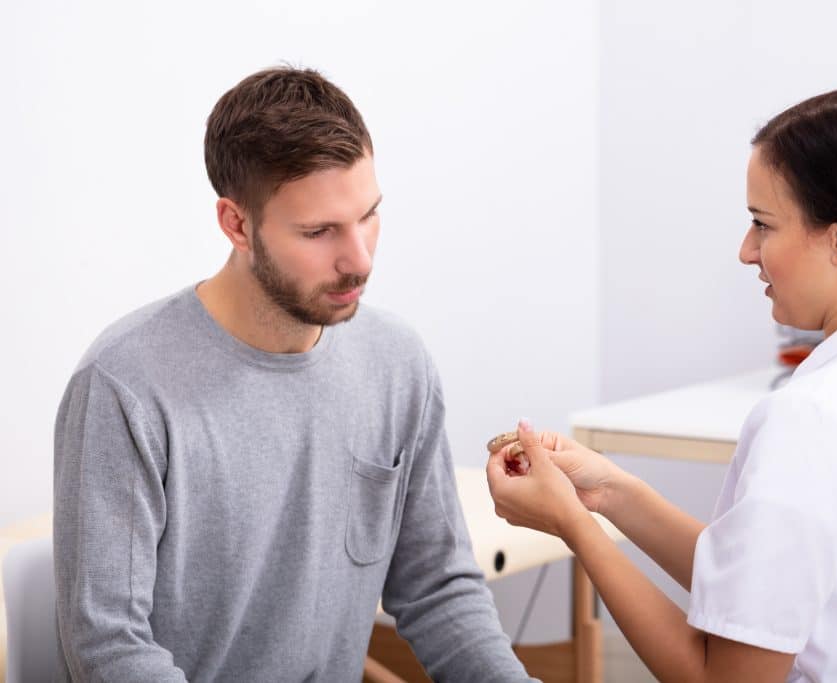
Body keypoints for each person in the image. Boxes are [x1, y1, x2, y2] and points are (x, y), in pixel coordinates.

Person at [487, 84, 837, 682]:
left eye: (763, 225)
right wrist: (608, 493)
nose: (745, 251)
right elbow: (762, 588)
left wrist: (574, 528)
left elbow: (720, 677)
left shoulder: (818, 417)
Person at [53, 66, 533, 682]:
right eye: (318, 231)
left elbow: (440, 590)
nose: (359, 259)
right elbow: (109, 650)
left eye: (369, 216)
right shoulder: (125, 385)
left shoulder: (397, 363)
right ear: (236, 225)